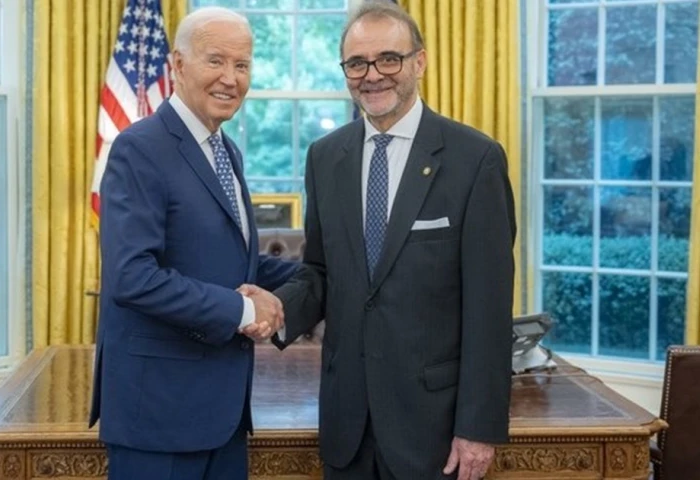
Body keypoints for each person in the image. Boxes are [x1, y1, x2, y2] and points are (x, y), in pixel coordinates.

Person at [242, 2, 516, 479]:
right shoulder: (326, 157)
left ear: (419, 62)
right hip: (346, 424)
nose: (373, 75)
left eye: (389, 58)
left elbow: (489, 308)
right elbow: (323, 274)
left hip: (433, 431)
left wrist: (479, 426)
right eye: (357, 63)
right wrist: (274, 309)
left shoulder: (476, 160)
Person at [89, 7, 295, 480]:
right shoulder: (139, 147)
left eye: (242, 65)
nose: (231, 78)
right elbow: (133, 278)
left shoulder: (226, 150)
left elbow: (228, 262)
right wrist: (244, 312)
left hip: (221, 418)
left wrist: (323, 271)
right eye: (216, 61)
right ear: (178, 65)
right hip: (159, 418)